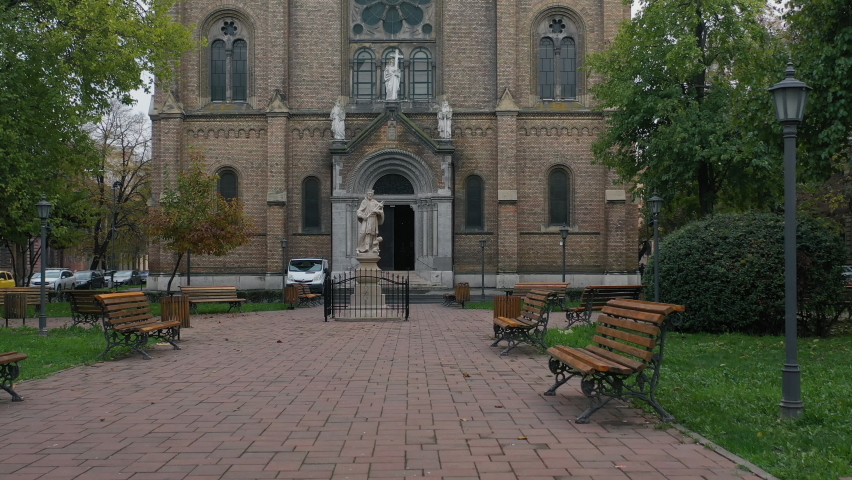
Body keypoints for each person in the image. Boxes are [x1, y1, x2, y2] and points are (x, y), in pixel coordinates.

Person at [356, 190, 384, 254]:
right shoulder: (364, 202)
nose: (370, 195)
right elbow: (359, 211)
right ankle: (360, 248)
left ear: (373, 195)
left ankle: (369, 248)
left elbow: (381, 211)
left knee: (372, 233)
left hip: (373, 219)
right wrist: (362, 216)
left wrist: (376, 211)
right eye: (369, 194)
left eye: (371, 194)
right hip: (366, 219)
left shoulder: (375, 202)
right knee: (363, 233)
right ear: (367, 194)